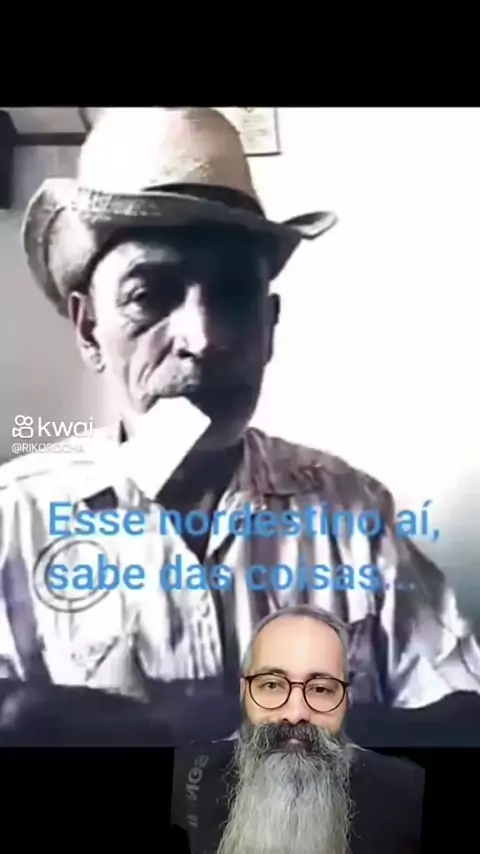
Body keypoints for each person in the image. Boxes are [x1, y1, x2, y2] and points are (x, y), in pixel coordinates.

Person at [0, 106, 479, 743]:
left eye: (234, 295)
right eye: (149, 294)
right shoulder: (14, 522)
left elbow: (463, 714)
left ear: (270, 326)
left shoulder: (355, 510)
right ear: (90, 330)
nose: (205, 339)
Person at [172, 605, 425, 854]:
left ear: (346, 700)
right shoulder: (185, 779)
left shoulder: (407, 796)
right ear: (244, 693)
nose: (295, 714)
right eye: (272, 685)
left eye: (321, 689)